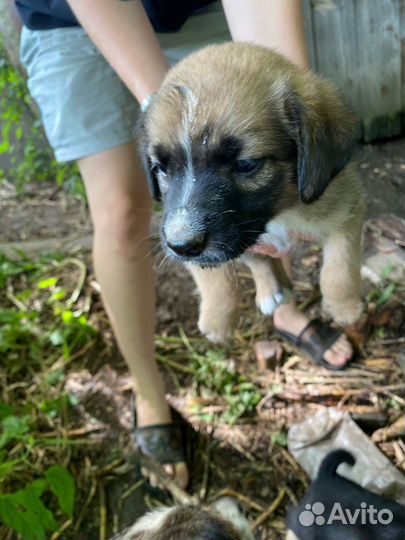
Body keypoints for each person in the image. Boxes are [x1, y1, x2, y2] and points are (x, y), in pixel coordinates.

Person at [14, 0, 354, 489]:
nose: (182, 232)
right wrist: (160, 106)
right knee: (122, 215)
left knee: (277, 187)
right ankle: (149, 394)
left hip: (198, 10)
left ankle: (277, 303)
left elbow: (291, 105)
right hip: (75, 20)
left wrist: (289, 88)